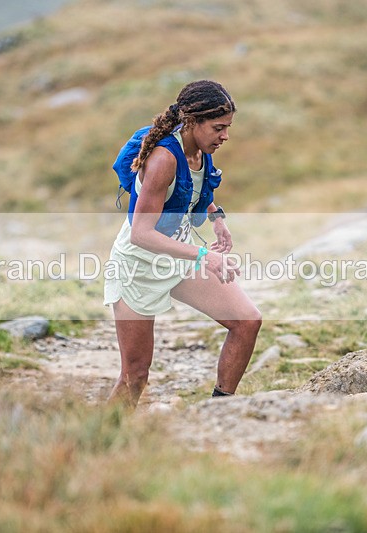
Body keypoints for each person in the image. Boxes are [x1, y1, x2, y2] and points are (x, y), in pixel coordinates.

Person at [104, 80, 262, 408]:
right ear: (192, 122)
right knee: (136, 375)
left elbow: (190, 190)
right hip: (138, 266)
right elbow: (140, 233)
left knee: (247, 321)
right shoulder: (163, 158)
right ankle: (102, 432)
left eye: (228, 127)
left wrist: (216, 217)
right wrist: (204, 255)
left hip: (178, 256)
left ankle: (219, 411)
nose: (225, 136)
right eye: (218, 128)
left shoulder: (200, 152)